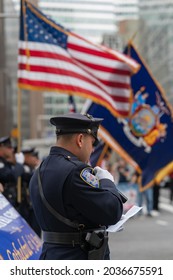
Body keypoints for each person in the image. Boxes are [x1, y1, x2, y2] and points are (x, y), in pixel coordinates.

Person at [29, 112, 124, 260]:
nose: (92, 150)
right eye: (92, 143)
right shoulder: (76, 171)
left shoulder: (39, 171)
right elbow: (112, 211)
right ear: (80, 139)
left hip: (51, 256)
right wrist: (107, 181)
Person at [0, 136, 24, 208]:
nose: (12, 150)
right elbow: (11, 176)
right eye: (9, 148)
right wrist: (19, 164)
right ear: (1, 147)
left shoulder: (6, 162)